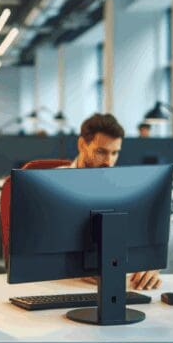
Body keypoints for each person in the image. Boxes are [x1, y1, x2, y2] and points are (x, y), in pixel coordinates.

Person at [65, 113, 162, 290]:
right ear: (81, 145)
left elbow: (143, 244)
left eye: (115, 153)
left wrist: (150, 265)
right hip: (63, 286)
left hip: (118, 285)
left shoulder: (129, 191)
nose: (109, 162)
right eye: (101, 152)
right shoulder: (53, 184)